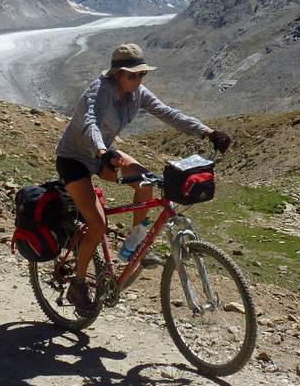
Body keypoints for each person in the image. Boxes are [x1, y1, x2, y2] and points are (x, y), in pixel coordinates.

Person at [55, 43, 231, 316]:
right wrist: (101, 152)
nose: (138, 79)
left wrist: (207, 132)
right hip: (76, 158)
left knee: (146, 182)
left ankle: (134, 243)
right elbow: (89, 122)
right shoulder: (99, 91)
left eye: (142, 75)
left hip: (106, 154)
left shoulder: (137, 93)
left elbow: (167, 112)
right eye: (133, 75)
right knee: (98, 224)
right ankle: (78, 284)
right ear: (117, 73)